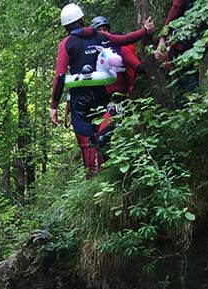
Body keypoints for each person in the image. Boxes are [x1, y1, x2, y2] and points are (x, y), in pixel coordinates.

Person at [49, 3, 155, 177]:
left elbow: (60, 76)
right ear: (82, 19)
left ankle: (94, 178)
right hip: (101, 94)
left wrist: (54, 106)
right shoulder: (99, 36)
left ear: (65, 26)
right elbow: (124, 40)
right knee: (104, 132)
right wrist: (145, 30)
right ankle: (111, 170)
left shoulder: (67, 44)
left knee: (86, 140)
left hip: (80, 99)